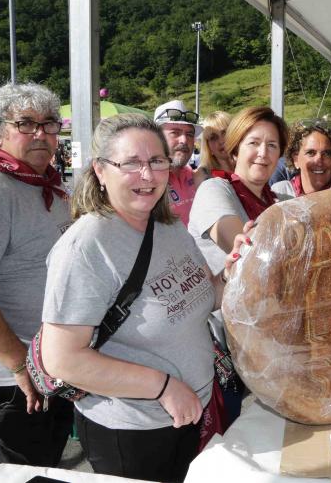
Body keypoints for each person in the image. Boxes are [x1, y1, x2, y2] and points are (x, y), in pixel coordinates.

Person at [40, 114, 215, 483]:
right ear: (101, 171)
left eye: (156, 161)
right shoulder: (86, 247)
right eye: (131, 164)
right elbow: (63, 359)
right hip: (132, 430)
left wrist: (242, 264)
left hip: (186, 415)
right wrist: (164, 387)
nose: (148, 175)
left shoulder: (167, 226)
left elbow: (205, 295)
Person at [0, 82, 73, 465]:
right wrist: (20, 364)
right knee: (15, 472)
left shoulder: (44, 184)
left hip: (45, 363)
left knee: (45, 465)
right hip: (6, 375)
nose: (40, 133)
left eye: (49, 123)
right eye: (25, 123)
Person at [189, 106, 289, 276]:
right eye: (253, 143)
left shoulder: (280, 200)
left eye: (272, 145)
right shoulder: (213, 190)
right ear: (235, 151)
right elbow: (254, 259)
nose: (263, 153)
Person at [271, 119, 331, 200]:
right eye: (311, 153)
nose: (319, 161)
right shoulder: (279, 194)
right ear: (296, 159)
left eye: (327, 153)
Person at [154, 99, 201, 227]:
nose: (184, 140)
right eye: (175, 132)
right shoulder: (147, 182)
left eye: (190, 134)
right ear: (156, 137)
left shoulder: (196, 176)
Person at [194, 110, 233, 188]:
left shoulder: (252, 166)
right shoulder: (202, 176)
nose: (221, 141)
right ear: (207, 146)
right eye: (213, 138)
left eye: (225, 133)